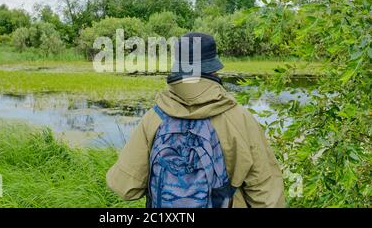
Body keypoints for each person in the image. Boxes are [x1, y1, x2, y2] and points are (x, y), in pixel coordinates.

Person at [106, 33, 285, 208]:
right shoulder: (239, 118)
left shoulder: (154, 117)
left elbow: (125, 188)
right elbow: (267, 194)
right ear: (213, 69)